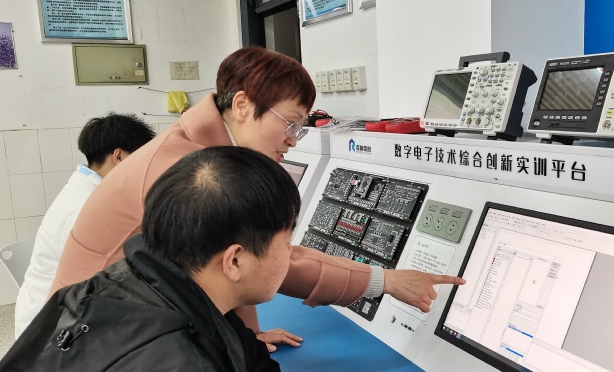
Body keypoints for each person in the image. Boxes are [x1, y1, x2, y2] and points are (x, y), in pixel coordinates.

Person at [50, 46, 464, 351]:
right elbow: (269, 260)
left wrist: (247, 337)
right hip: (94, 342)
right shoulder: (188, 169)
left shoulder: (193, 147)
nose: (293, 140)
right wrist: (385, 280)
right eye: (291, 123)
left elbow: (231, 261)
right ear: (243, 105)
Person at [0, 147, 312, 372]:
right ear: (234, 260)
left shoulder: (116, 287)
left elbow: (247, 358)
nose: (290, 252)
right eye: (286, 242)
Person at [14, 113, 156, 338]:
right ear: (119, 156)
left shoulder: (87, 188)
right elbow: (113, 277)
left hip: (57, 306)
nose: (145, 168)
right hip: (50, 331)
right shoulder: (87, 206)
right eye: (142, 158)